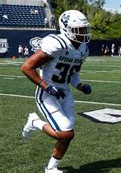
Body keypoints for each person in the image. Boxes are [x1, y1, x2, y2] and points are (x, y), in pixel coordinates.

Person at [20, 10, 92, 173]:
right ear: (67, 28)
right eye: (79, 29)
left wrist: (80, 85)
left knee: (67, 135)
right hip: (47, 94)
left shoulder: (83, 49)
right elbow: (27, 67)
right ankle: (35, 122)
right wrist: (46, 86)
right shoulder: (56, 43)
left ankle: (51, 168)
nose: (84, 33)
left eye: (84, 29)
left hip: (64, 92)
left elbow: (73, 73)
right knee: (66, 133)